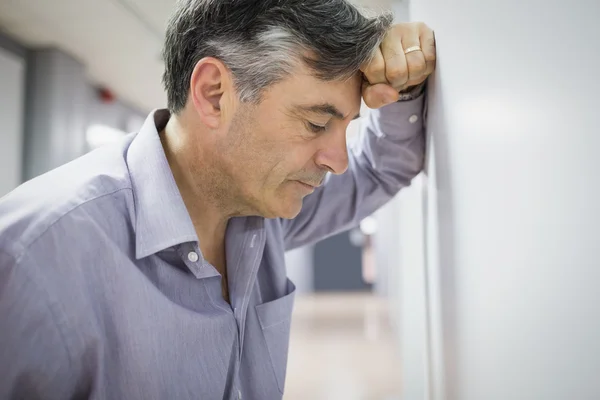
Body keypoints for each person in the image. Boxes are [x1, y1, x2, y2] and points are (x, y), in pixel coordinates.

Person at [0, 0, 436, 398]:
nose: (338, 160)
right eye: (316, 123)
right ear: (214, 95)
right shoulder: (35, 257)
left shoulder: (260, 212)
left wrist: (404, 84)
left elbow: (377, 169)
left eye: (345, 127)